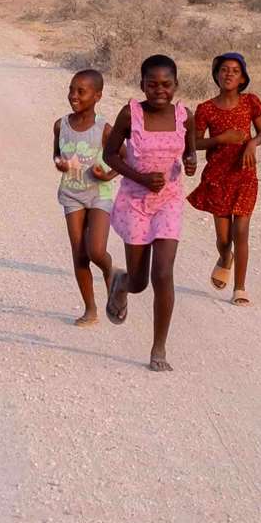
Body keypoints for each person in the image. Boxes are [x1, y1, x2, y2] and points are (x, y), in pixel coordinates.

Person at [102, 54, 188, 372]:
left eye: (166, 84)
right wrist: (139, 177)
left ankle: (158, 348)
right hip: (136, 201)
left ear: (176, 85)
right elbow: (110, 154)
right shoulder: (130, 114)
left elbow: (189, 151)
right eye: (152, 85)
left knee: (163, 273)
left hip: (169, 201)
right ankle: (122, 283)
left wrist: (191, 161)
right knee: (140, 282)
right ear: (142, 85)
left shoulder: (183, 116)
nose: (159, 90)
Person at [188, 53, 261, 306]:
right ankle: (225, 258)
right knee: (224, 240)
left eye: (235, 70)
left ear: (243, 77)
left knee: (241, 232)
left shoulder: (250, 103)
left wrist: (252, 144)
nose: (229, 74)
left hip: (244, 175)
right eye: (224, 69)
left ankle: (240, 288)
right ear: (216, 75)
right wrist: (220, 140)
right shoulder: (206, 109)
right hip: (217, 177)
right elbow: (195, 142)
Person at [52, 69, 119, 325]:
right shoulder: (61, 125)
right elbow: (56, 155)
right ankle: (90, 309)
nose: (74, 96)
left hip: (99, 194)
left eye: (81, 91)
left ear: (97, 95)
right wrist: (59, 162)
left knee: (96, 250)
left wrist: (108, 175)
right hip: (72, 195)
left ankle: (110, 271)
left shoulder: (104, 128)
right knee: (79, 253)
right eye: (71, 90)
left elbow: (122, 157)